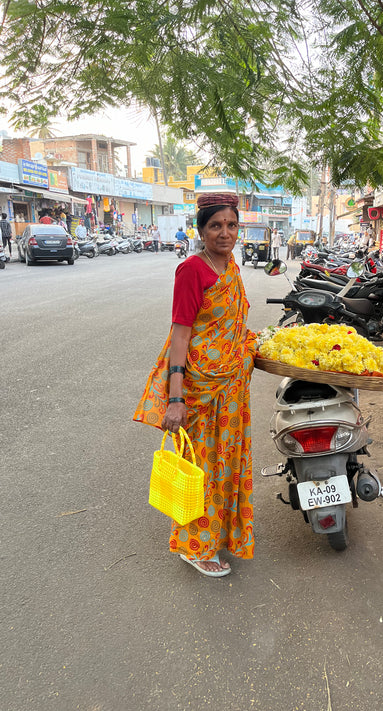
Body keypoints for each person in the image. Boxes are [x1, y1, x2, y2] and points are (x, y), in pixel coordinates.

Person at [134, 193, 257, 577]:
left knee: (228, 465)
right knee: (201, 469)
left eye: (231, 225)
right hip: (200, 389)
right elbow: (180, 336)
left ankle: (221, 535)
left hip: (232, 389)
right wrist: (175, 398)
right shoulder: (193, 270)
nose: (224, 233)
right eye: (215, 225)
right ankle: (194, 546)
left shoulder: (232, 267)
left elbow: (233, 326)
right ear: (201, 230)